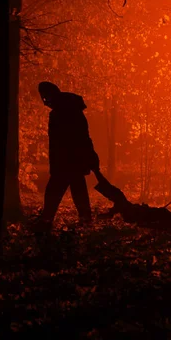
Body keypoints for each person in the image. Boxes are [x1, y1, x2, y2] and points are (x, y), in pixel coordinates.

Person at [37, 81, 100, 230]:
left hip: (66, 162)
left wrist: (88, 155)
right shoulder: (71, 110)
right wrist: (90, 156)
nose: (44, 100)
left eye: (45, 96)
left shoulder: (60, 112)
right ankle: (85, 222)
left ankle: (46, 222)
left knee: (55, 192)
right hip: (74, 161)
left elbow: (75, 138)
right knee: (77, 192)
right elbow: (84, 137)